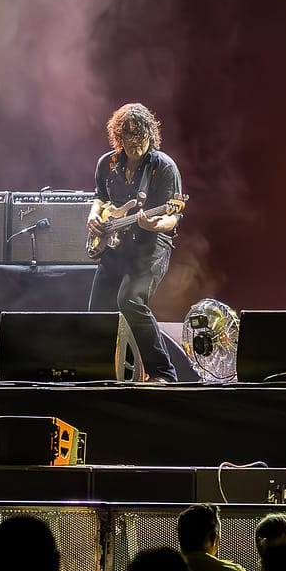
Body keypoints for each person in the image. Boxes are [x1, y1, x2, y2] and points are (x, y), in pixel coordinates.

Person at [87, 103, 180, 381]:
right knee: (98, 310)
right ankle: (101, 374)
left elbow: (174, 216)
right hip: (116, 245)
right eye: (129, 136)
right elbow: (100, 197)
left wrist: (156, 223)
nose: (136, 143)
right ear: (119, 137)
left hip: (151, 246)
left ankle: (164, 373)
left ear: (151, 134)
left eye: (141, 136)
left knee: (129, 300)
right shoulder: (107, 164)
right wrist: (93, 216)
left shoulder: (163, 167)